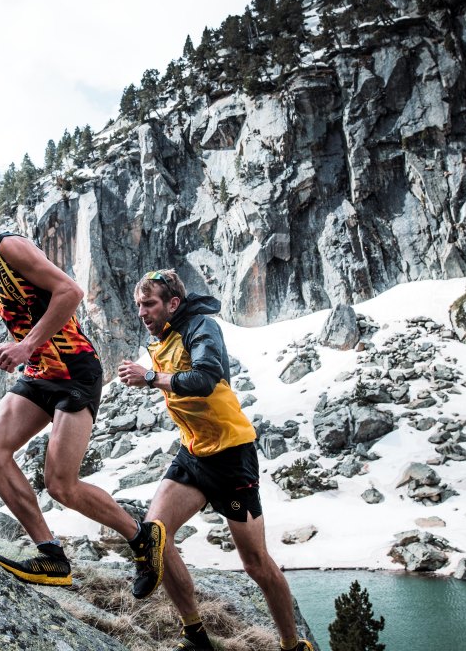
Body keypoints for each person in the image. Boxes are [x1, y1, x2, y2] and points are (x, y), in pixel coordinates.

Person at [0, 182, 165, 589]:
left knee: (61, 484)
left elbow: (70, 292)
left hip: (75, 369)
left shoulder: (10, 248)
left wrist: (24, 346)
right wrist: (20, 350)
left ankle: (142, 539)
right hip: (41, 372)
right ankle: (51, 555)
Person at [117, 270, 315, 651]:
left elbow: (205, 378)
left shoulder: (201, 327)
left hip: (230, 458)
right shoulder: (163, 336)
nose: (142, 312)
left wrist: (150, 377)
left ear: (173, 304)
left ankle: (293, 645)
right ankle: (195, 636)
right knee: (156, 535)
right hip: (193, 453)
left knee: (256, 563)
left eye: (150, 304)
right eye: (139, 305)